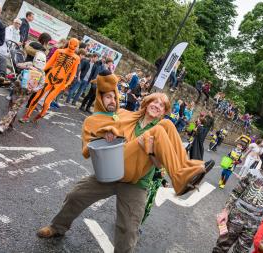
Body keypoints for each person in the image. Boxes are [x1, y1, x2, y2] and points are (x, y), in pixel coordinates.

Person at [36, 71, 215, 249]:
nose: (157, 106)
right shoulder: (124, 115)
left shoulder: (163, 128)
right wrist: (106, 133)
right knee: (76, 195)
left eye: (162, 105)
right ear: (146, 103)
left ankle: (183, 173)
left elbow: (160, 166)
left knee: (129, 228)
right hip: (112, 170)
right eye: (155, 101)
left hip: (137, 182)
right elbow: (101, 119)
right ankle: (57, 227)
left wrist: (151, 151)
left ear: (164, 111)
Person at [213, 151, 263, 253]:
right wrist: (225, 211)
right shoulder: (252, 173)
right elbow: (236, 192)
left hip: (254, 223)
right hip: (236, 215)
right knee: (221, 246)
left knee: (242, 251)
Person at [20, 38, 80, 123]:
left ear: (77, 47)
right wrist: (38, 71)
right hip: (49, 77)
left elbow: (73, 74)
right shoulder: (59, 51)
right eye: (71, 44)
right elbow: (49, 64)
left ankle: (41, 114)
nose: (72, 46)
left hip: (60, 83)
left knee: (47, 102)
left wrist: (67, 84)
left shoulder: (76, 58)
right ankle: (27, 115)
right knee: (37, 97)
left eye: (75, 45)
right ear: (68, 43)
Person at [0, 51, 46, 134]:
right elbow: (18, 65)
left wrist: (34, 89)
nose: (40, 63)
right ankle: (10, 124)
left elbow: (41, 85)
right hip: (18, 87)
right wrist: (28, 67)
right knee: (12, 106)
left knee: (15, 108)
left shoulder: (42, 72)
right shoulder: (30, 64)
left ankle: (3, 125)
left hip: (26, 92)